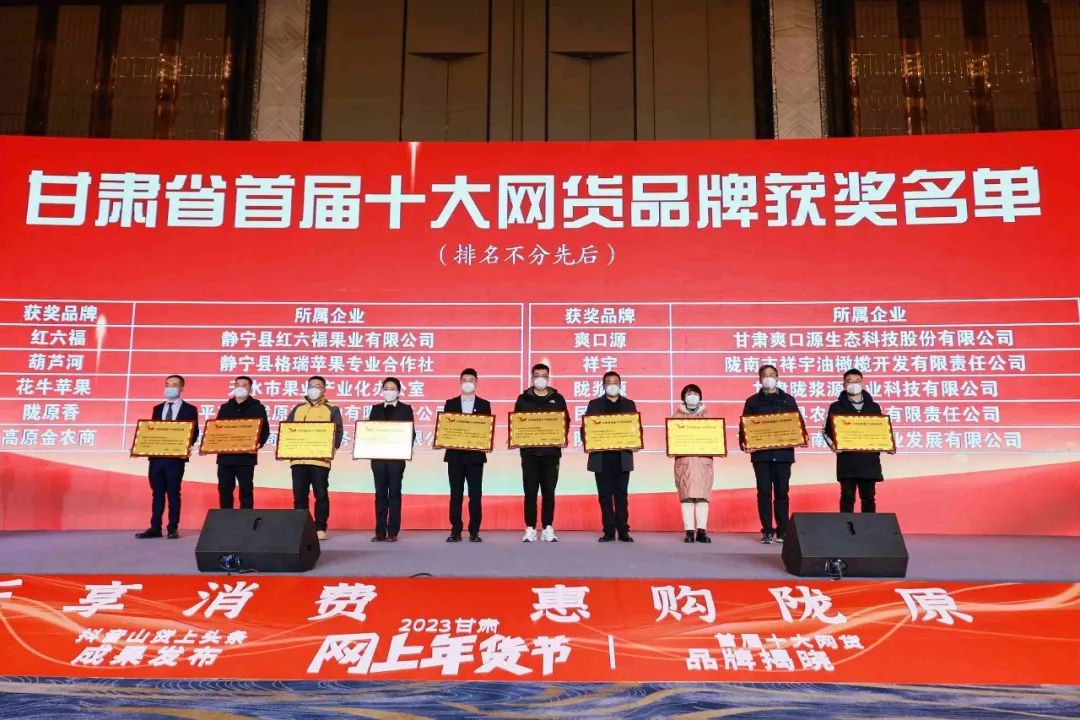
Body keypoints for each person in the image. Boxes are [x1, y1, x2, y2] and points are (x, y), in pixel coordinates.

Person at [740, 364, 802, 545]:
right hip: (762, 456)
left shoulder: (788, 400)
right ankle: (767, 531)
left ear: (777, 377)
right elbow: (745, 427)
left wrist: (800, 436)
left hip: (783, 455)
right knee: (764, 492)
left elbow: (798, 423)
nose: (769, 378)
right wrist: (745, 442)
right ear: (760, 379)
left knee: (782, 492)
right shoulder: (752, 402)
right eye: (765, 375)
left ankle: (783, 530)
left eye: (772, 375)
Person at [135, 374, 198, 540]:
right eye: (168, 384)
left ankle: (172, 528)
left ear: (181, 388)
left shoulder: (190, 409)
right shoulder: (157, 408)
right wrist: (141, 446)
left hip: (175, 460)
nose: (170, 388)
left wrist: (186, 445)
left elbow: (194, 432)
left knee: (173, 493)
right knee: (157, 494)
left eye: (175, 385)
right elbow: (152, 431)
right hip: (156, 459)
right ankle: (155, 527)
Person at [514, 363, 568, 543]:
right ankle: (530, 528)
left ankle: (547, 527)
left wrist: (562, 436)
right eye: (537, 375)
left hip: (551, 454)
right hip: (529, 454)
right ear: (532, 377)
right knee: (530, 493)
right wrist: (516, 437)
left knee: (549, 493)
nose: (540, 379)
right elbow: (517, 424)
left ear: (548, 377)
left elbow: (565, 422)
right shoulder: (523, 399)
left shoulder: (557, 399)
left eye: (544, 376)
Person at [286, 375, 344, 541]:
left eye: (318, 386)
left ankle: (320, 527)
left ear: (324, 389)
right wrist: (285, 448)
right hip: (298, 460)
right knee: (299, 496)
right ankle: (301, 528)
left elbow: (338, 431)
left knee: (321, 495)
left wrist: (329, 450)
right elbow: (288, 430)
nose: (314, 389)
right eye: (311, 385)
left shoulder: (332, 409)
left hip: (320, 461)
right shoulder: (298, 408)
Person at [823, 369, 888, 513]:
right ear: (844, 385)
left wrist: (887, 445)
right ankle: (846, 527)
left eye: (857, 381)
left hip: (869, 461)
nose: (854, 384)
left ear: (862, 383)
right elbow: (825, 431)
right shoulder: (836, 406)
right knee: (847, 498)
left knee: (868, 499)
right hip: (847, 460)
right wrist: (833, 446)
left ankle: (869, 527)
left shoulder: (874, 407)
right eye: (849, 381)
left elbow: (880, 431)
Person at [585, 371, 637, 543]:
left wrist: (635, 441)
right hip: (601, 458)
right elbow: (586, 429)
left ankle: (623, 531)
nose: (612, 385)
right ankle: (608, 531)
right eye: (609, 382)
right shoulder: (594, 404)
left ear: (620, 385)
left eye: (615, 382)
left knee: (621, 496)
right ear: (603, 385)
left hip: (622, 458)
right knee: (605, 496)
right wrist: (590, 441)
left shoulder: (629, 404)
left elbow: (635, 429)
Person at [443, 368, 491, 543]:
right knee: (455, 495)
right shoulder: (450, 404)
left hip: (475, 457)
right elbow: (446, 429)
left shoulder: (484, 404)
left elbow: (486, 429)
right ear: (460, 382)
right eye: (465, 380)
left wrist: (486, 442)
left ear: (476, 383)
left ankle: (474, 531)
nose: (468, 383)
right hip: (455, 457)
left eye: (471, 380)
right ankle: (455, 531)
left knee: (475, 495)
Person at [369, 376, 414, 542]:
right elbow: (370, 431)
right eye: (386, 389)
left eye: (392, 389)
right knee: (380, 494)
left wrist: (405, 448)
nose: (389, 391)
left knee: (394, 493)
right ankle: (380, 531)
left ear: (399, 391)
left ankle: (393, 531)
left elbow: (411, 432)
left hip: (396, 459)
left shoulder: (405, 409)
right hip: (379, 459)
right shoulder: (375, 409)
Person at [214, 375, 270, 510]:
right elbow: (216, 429)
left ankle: (246, 520)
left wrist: (259, 443)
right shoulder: (225, 407)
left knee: (246, 491)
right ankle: (226, 518)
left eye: (244, 385)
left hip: (246, 458)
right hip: (225, 458)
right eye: (237, 385)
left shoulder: (258, 408)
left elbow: (265, 430)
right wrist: (211, 444)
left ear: (250, 389)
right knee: (224, 490)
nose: (240, 387)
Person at [672, 383, 714, 543]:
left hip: (704, 462)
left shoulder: (708, 416)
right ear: (683, 398)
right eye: (689, 394)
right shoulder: (676, 417)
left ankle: (702, 531)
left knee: (703, 497)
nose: (692, 397)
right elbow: (672, 440)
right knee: (686, 497)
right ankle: (689, 532)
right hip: (685, 462)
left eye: (695, 394)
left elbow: (715, 438)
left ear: (700, 397)